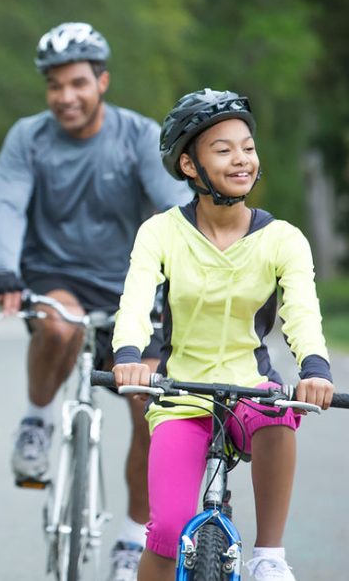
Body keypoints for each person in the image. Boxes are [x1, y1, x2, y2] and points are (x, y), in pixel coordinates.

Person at [0, 22, 191, 579]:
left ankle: (132, 538)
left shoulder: (139, 135)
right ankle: (38, 419)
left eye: (77, 82)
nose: (66, 97)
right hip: (57, 276)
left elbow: (177, 207)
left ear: (102, 81)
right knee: (56, 325)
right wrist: (3, 266)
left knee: (151, 410)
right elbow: (5, 201)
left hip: (132, 289)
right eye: (55, 85)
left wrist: (194, 269)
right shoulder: (28, 138)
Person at [111, 88, 335, 581]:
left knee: (280, 413)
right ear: (190, 166)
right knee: (167, 536)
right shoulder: (161, 232)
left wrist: (315, 369)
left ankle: (269, 557)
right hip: (179, 396)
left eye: (248, 147)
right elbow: (135, 301)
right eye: (223, 149)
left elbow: (301, 312)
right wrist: (128, 354)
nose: (242, 160)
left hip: (250, 389)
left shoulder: (282, 239)